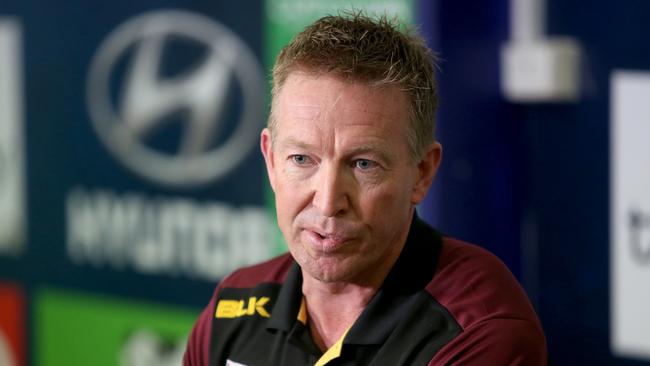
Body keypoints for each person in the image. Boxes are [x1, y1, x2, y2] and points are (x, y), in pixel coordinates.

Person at [184, 11, 547, 366]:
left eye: (363, 164)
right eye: (301, 159)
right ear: (271, 160)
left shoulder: (477, 329)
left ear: (421, 173)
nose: (328, 203)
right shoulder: (236, 305)